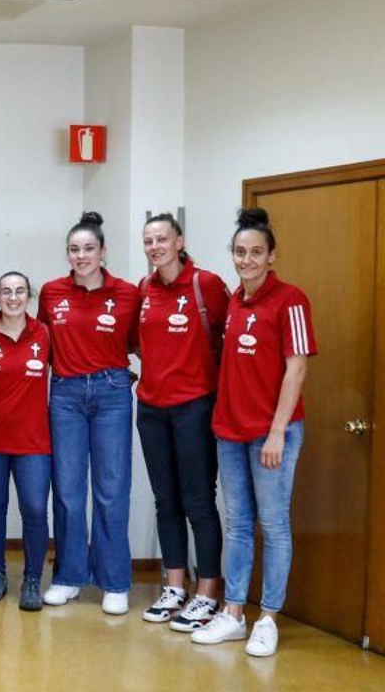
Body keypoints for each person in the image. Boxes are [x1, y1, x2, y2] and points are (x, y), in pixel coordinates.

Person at [192, 208, 315, 658]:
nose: (247, 260)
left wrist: (279, 431)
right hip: (230, 430)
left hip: (271, 433)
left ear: (272, 255)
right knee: (238, 524)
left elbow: (297, 367)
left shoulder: (291, 300)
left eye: (256, 253)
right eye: (240, 252)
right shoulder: (234, 301)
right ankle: (233, 612)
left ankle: (268, 618)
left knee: (274, 524)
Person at [38, 211, 142, 614]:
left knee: (112, 489)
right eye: (74, 250)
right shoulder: (51, 292)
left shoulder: (128, 293)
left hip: (112, 392)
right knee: (67, 490)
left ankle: (115, 581)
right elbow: (39, 342)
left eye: (88, 249)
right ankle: (68, 576)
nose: (81, 256)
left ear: (103, 252)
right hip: (64, 393)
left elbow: (136, 343)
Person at [135, 213, 230, 631]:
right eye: (148, 240)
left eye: (162, 239)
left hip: (195, 407)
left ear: (179, 241)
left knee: (197, 500)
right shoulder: (144, 288)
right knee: (165, 500)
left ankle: (207, 590)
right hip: (152, 409)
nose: (155, 246)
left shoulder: (205, 285)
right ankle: (175, 586)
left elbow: (232, 334)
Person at [0, 272, 53, 610]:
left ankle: (33, 578)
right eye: (6, 291)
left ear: (29, 296)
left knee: (34, 509)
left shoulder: (45, 333)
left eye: (20, 291)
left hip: (34, 441)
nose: (13, 297)